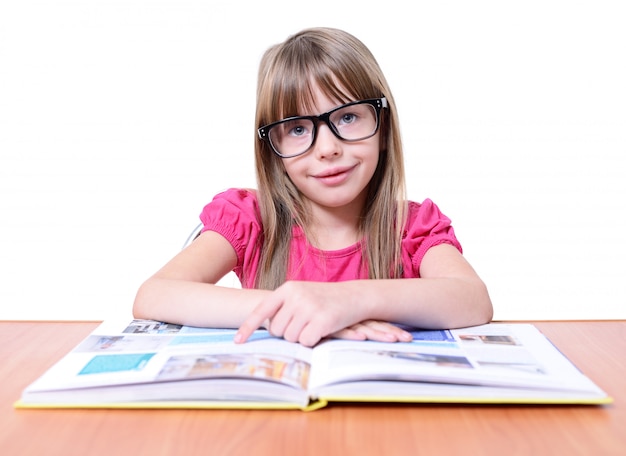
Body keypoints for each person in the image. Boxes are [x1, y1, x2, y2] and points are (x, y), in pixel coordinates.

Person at [133, 27, 493, 347]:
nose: (327, 148)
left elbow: (473, 299)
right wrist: (294, 310)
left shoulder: (412, 226)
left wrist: (347, 302)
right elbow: (154, 295)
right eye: (298, 129)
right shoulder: (249, 218)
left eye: (348, 117)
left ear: (382, 127)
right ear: (273, 149)